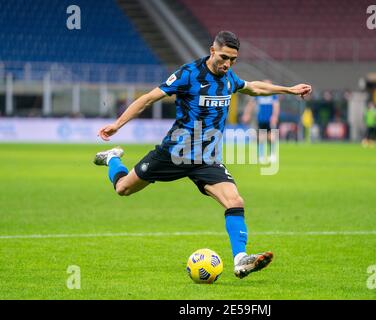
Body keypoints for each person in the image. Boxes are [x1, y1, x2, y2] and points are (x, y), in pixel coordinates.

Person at [93, 31, 312, 279]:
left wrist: (289, 90)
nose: (227, 63)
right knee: (123, 188)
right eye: (223, 57)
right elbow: (147, 99)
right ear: (212, 50)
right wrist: (117, 125)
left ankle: (241, 260)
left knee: (235, 201)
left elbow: (253, 88)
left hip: (206, 159)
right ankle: (112, 158)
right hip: (174, 153)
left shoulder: (228, 76)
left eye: (233, 59)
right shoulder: (189, 73)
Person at [241, 80, 280, 162]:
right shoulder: (259, 94)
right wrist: (247, 114)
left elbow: (276, 106)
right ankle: (261, 155)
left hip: (270, 119)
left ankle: (272, 155)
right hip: (261, 118)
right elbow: (251, 104)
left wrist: (274, 116)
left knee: (271, 136)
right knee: (260, 136)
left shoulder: (273, 95)